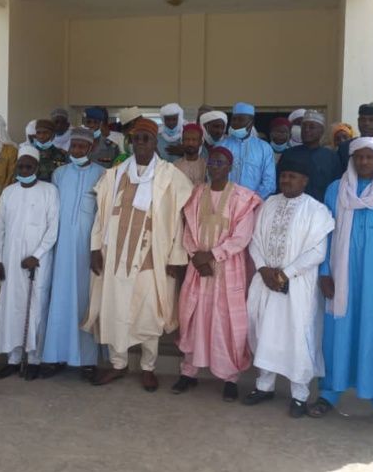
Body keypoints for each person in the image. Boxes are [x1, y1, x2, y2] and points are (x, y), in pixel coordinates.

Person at [308, 138, 373, 431]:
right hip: (341, 280)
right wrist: (325, 273)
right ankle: (329, 393)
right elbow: (324, 235)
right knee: (337, 335)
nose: (364, 162)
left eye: (369, 157)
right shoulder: (335, 190)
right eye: (358, 158)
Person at [85, 118, 192, 392]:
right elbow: (101, 215)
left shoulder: (170, 176)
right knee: (114, 310)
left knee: (148, 314)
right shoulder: (115, 174)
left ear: (156, 142)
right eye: (136, 139)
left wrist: (177, 258)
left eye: (146, 138)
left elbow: (181, 221)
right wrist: (96, 247)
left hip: (151, 258)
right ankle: (119, 365)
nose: (141, 143)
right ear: (130, 143)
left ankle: (148, 368)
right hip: (114, 257)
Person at [242, 155, 334, 416]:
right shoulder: (268, 204)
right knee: (263, 332)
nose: (286, 180)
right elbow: (254, 240)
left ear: (304, 180)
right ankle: (264, 385)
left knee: (298, 336)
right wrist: (263, 269)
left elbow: (317, 251)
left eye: (292, 176)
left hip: (297, 285)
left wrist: (285, 274)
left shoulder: (317, 210)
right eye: (283, 175)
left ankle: (300, 395)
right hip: (265, 281)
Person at [173, 147, 261, 402]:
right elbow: (187, 228)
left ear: (230, 167)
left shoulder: (243, 198)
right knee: (193, 318)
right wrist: (195, 255)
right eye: (212, 162)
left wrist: (211, 255)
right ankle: (188, 372)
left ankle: (230, 378)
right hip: (198, 266)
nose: (215, 167)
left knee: (226, 322)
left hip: (227, 268)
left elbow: (242, 237)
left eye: (221, 163)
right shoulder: (196, 194)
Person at [0, 145, 59, 380]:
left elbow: (52, 229)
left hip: (38, 262)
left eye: (29, 166)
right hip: (10, 260)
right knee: (12, 308)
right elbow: (0, 229)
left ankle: (35, 359)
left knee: (36, 308)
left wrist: (37, 255)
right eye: (21, 166)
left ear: (37, 168)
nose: (25, 169)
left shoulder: (49, 191)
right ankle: (13, 358)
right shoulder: (8, 192)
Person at [42, 129, 105, 378]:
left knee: (85, 301)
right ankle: (56, 356)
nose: (76, 151)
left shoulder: (102, 174)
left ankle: (87, 361)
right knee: (60, 299)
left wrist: (97, 248)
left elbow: (103, 214)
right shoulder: (59, 174)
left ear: (90, 148)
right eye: (73, 147)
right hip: (61, 248)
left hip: (88, 249)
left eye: (81, 147)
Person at [277, 110, 342, 203]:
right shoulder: (289, 154)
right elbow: (280, 183)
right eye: (304, 127)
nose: (307, 130)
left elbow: (336, 187)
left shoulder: (331, 157)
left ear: (321, 131)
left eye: (312, 127)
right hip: (292, 206)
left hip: (321, 208)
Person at [218, 102, 275, 199]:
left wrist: (250, 201)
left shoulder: (264, 148)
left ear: (251, 122)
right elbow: (213, 176)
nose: (236, 123)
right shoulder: (221, 146)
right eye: (234, 119)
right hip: (224, 203)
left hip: (254, 205)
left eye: (240, 120)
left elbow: (269, 183)